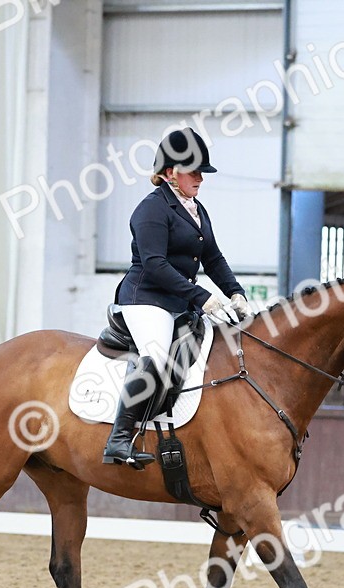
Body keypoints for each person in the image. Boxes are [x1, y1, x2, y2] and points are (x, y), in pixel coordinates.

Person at [102, 127, 251, 469]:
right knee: (155, 355)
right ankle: (119, 439)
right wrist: (202, 297)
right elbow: (155, 265)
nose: (201, 178)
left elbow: (213, 258)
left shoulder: (196, 209)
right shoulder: (151, 210)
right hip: (146, 299)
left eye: (202, 172)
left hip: (180, 301)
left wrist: (235, 292)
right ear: (170, 172)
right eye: (194, 172)